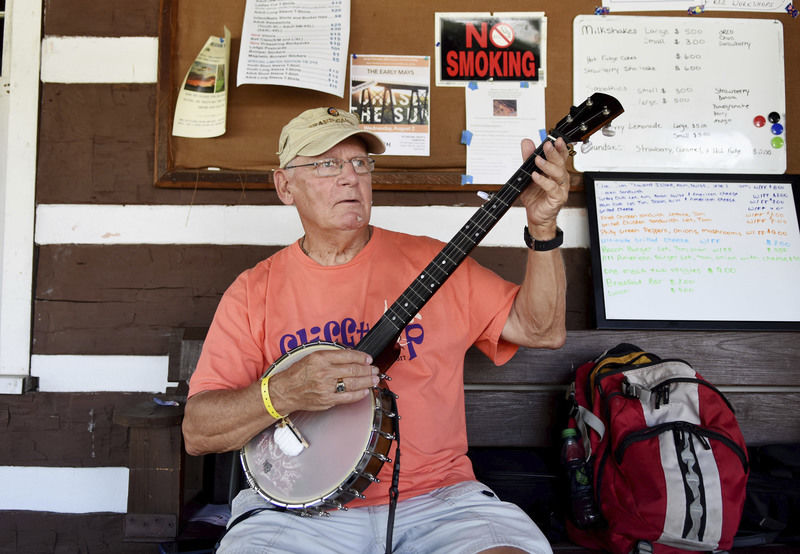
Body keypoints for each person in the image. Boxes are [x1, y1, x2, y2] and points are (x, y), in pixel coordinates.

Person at [182, 106, 571, 554]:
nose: (349, 177)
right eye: (327, 163)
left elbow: (542, 330)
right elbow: (198, 432)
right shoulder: (254, 291)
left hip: (440, 503)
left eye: (360, 163)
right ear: (284, 185)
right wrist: (284, 391)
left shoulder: (435, 265)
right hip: (297, 514)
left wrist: (543, 227)